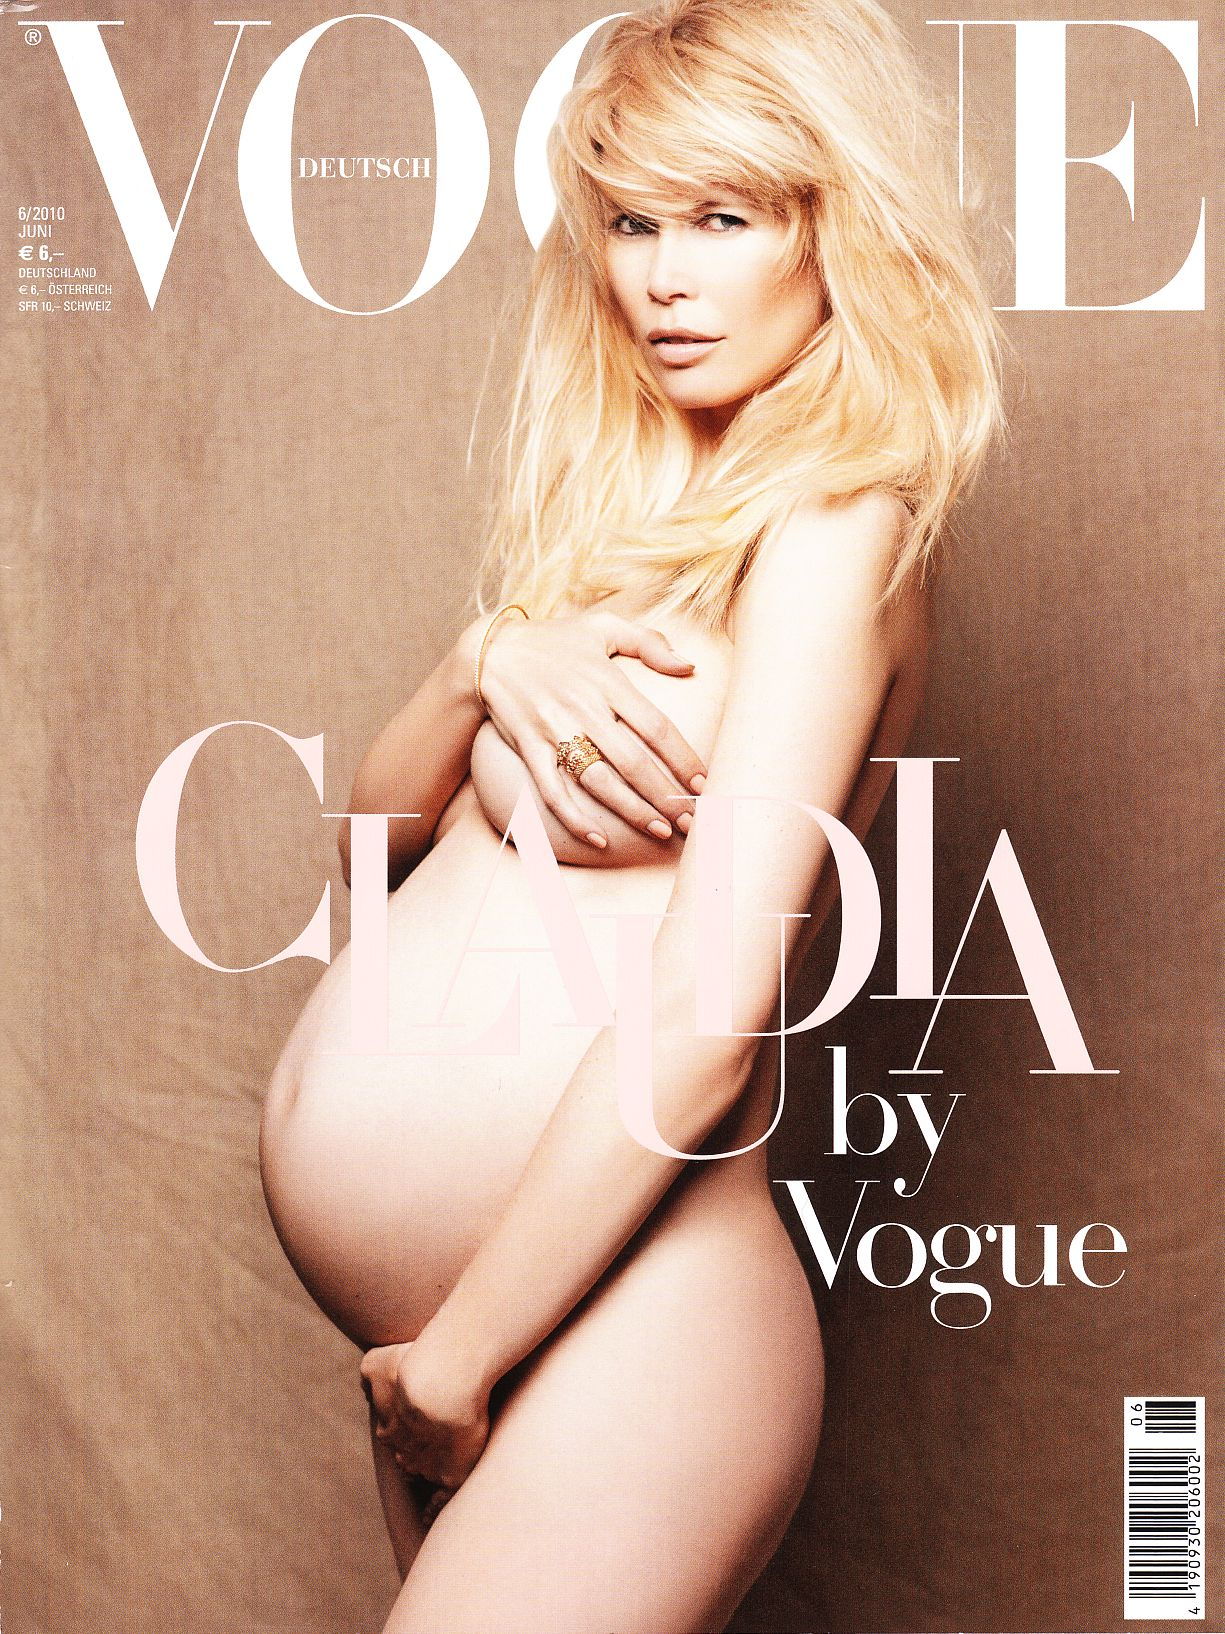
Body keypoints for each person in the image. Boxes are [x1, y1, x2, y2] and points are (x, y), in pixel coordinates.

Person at [259, 0, 1003, 1627]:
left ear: (835, 227)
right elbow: (380, 855)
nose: (663, 276)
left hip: (620, 1320)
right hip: (478, 1315)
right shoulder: (630, 523)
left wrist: (459, 1355)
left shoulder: (836, 525)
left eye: (722, 218)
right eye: (630, 223)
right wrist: (481, 659)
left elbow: (708, 1013)